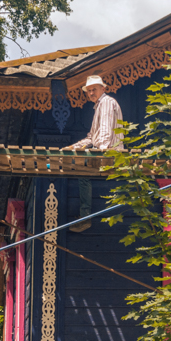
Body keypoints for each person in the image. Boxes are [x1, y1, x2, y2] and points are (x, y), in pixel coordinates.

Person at [67, 75, 123, 232]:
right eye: (89, 91)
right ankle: (85, 216)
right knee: (81, 170)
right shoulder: (99, 106)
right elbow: (92, 137)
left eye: (94, 89)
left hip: (109, 151)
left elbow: (105, 131)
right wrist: (73, 146)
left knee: (80, 168)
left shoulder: (106, 103)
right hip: (104, 150)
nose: (91, 93)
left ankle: (85, 216)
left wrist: (101, 152)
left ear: (103, 89)